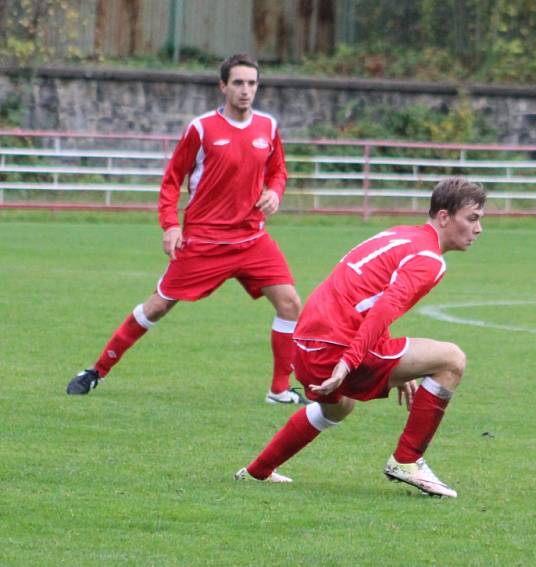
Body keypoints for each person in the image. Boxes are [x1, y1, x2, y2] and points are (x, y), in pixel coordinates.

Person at [67, 53, 307, 404]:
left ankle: (279, 390)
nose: (245, 90)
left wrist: (275, 191)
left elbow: (278, 170)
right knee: (157, 307)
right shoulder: (202, 129)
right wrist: (170, 225)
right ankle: (97, 370)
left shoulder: (268, 127)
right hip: (204, 241)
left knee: (290, 304)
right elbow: (171, 180)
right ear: (223, 86)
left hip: (252, 239)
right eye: (238, 83)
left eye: (252, 83)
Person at [234, 177, 486, 498]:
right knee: (451, 360)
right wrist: (348, 362)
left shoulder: (400, 234)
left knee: (338, 408)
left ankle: (258, 471)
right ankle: (407, 460)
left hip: (308, 341)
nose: (478, 229)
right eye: (473, 218)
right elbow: (385, 306)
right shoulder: (429, 259)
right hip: (337, 347)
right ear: (444, 216)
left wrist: (395, 362)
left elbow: (366, 297)